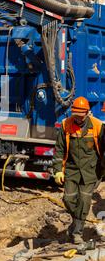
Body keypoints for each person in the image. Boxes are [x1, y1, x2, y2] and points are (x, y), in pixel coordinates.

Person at [53, 96, 105, 244]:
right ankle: (77, 222)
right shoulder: (66, 125)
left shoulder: (97, 126)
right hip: (72, 170)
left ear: (87, 113)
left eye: (81, 116)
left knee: (84, 201)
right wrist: (58, 170)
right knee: (68, 199)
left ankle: (77, 233)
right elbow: (59, 149)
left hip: (91, 172)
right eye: (75, 115)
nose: (78, 118)